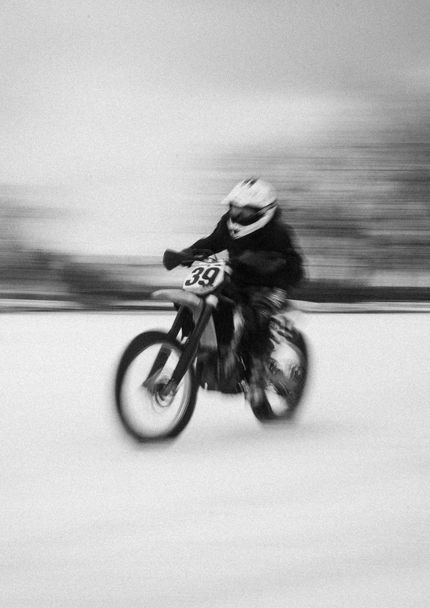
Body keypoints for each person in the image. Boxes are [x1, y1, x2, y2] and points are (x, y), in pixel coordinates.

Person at [179, 177, 304, 394]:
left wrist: (269, 263)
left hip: (271, 287)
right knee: (206, 298)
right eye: (234, 208)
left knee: (256, 317)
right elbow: (211, 243)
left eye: (244, 211)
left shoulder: (277, 233)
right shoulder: (228, 225)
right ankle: (219, 351)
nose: (236, 215)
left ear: (262, 211)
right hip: (237, 281)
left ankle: (258, 375)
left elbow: (295, 269)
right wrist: (187, 254)